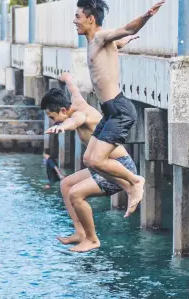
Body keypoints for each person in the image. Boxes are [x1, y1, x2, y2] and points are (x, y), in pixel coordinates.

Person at [73, 0, 164, 218]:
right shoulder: (98, 43)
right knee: (88, 160)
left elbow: (126, 30)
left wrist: (145, 16)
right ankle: (129, 185)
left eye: (78, 16)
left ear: (91, 19)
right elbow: (120, 41)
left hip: (120, 110)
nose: (74, 21)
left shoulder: (100, 38)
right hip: (109, 110)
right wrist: (125, 42)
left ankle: (135, 181)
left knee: (96, 159)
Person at [41, 72, 137, 253]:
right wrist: (67, 78)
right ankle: (79, 233)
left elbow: (77, 121)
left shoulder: (78, 114)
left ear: (63, 111)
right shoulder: (76, 102)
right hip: (101, 167)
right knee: (66, 184)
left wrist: (62, 127)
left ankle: (92, 239)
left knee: (76, 194)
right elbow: (74, 89)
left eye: (53, 117)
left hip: (117, 167)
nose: (53, 120)